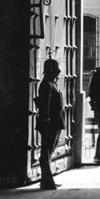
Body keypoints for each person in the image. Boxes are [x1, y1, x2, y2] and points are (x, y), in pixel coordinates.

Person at [36, 58, 65, 190]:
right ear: (51, 69)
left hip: (55, 122)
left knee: (49, 151)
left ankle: (46, 180)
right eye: (56, 68)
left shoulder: (51, 83)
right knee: (46, 153)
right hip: (50, 123)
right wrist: (46, 120)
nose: (59, 71)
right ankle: (47, 181)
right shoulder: (47, 84)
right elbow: (45, 105)